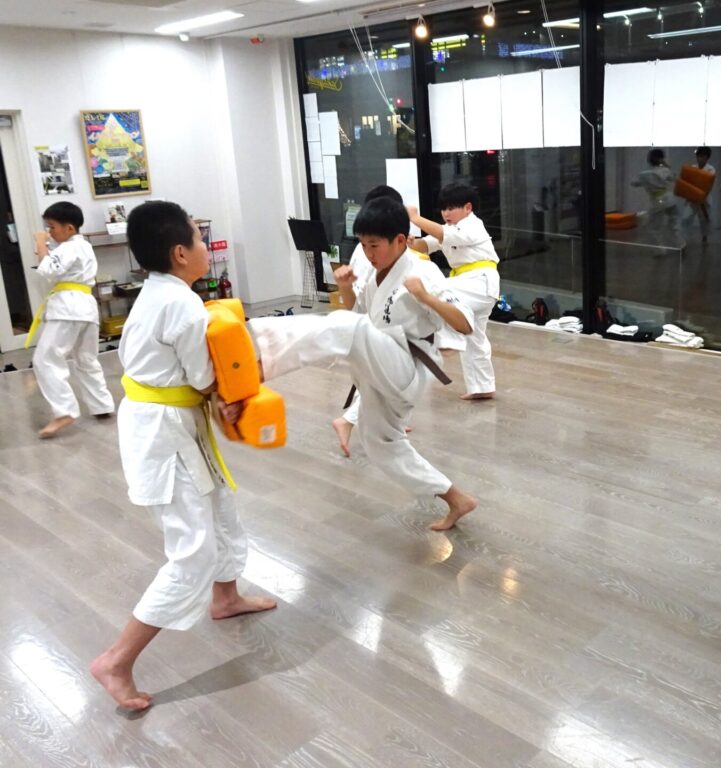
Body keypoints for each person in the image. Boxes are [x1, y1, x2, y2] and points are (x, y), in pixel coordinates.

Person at [90, 201, 275, 711]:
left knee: (222, 508)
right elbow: (203, 378)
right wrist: (247, 378)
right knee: (192, 551)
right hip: (164, 432)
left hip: (169, 421)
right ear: (179, 252)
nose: (203, 246)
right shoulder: (182, 305)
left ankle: (226, 597)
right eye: (197, 237)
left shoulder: (159, 292)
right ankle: (116, 661)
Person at [248, 197, 478, 532]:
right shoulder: (375, 273)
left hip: (409, 364)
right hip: (382, 362)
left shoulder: (423, 271)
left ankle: (258, 356)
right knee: (380, 444)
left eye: (374, 245)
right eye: (363, 244)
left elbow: (465, 324)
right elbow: (358, 313)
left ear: (400, 240)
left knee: (350, 328)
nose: (368, 253)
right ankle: (457, 498)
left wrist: (426, 297)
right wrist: (345, 288)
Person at [29, 201, 114, 438]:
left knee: (45, 359)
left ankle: (64, 411)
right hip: (85, 308)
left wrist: (40, 243)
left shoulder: (70, 247)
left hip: (68, 309)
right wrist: (47, 248)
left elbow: (48, 270)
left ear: (69, 228)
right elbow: (54, 264)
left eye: (52, 227)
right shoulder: (82, 246)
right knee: (86, 359)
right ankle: (102, 405)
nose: (49, 232)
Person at [408, 182, 499, 400]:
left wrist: (415, 218)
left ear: (468, 208)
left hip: (480, 282)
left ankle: (447, 341)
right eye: (443, 209)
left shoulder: (473, 225)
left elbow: (445, 235)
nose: (446, 213)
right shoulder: (448, 230)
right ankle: (482, 387)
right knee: (475, 338)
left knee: (437, 290)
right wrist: (411, 243)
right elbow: (427, 244)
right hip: (472, 285)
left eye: (451, 208)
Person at [631, 148, 684, 253]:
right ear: (662, 159)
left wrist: (646, 182)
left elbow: (633, 183)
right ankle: (681, 244)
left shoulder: (644, 174)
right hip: (670, 199)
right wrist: (667, 166)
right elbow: (674, 178)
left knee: (654, 228)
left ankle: (660, 250)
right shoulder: (665, 170)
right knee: (674, 224)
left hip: (658, 201)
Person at [686, 146, 716, 244]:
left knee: (704, 220)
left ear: (707, 158)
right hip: (692, 198)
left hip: (704, 198)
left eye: (702, 156)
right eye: (698, 156)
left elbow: (709, 185)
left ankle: (704, 237)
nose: (699, 158)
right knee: (687, 217)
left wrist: (703, 196)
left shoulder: (711, 169)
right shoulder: (693, 167)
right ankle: (684, 238)